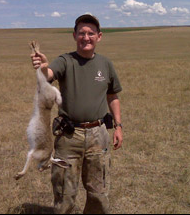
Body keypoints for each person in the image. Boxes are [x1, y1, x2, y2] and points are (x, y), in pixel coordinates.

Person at [30, 14, 123, 214]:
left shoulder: (105, 64)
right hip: (69, 137)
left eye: (91, 33)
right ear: (74, 36)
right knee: (64, 195)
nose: (86, 37)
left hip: (99, 135)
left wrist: (119, 126)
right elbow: (49, 75)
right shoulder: (66, 60)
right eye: (81, 33)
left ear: (99, 36)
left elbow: (113, 96)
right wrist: (43, 68)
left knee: (98, 193)